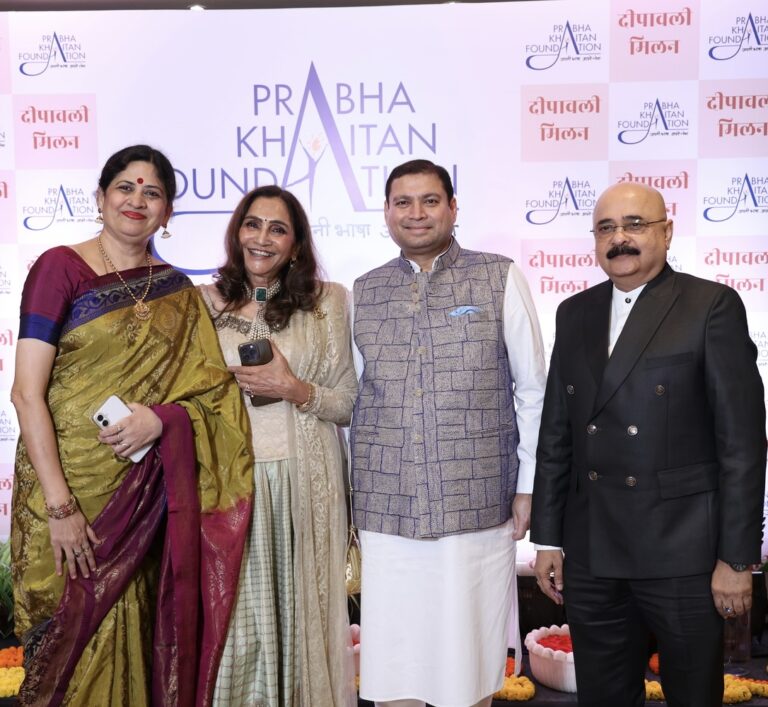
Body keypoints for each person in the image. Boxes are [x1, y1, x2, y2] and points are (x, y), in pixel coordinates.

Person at [10, 144, 254, 706]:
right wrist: (61, 507)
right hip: (68, 488)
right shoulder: (58, 268)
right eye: (125, 187)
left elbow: (214, 397)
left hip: (145, 497)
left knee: (138, 638)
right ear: (100, 198)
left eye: (153, 192)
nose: (137, 200)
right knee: (72, 642)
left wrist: (162, 421)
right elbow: (26, 393)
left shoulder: (178, 291)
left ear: (168, 213)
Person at [530, 182, 766, 707]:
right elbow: (557, 431)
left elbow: (743, 445)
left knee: (692, 696)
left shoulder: (710, 306)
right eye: (607, 228)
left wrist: (737, 558)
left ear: (666, 231)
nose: (621, 238)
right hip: (592, 550)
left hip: (683, 550)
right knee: (605, 697)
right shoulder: (574, 312)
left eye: (635, 224)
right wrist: (547, 537)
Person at [351, 159, 547, 707]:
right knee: (395, 658)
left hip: (477, 503)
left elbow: (533, 390)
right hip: (387, 508)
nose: (416, 213)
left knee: (468, 661)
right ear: (386, 212)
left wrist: (529, 485)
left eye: (430, 200)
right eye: (403, 202)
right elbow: (355, 403)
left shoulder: (498, 275)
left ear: (454, 208)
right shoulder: (363, 293)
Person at [199, 185, 357, 707]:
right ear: (237, 231)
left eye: (278, 229)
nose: (262, 238)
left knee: (303, 619)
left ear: (296, 245)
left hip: (304, 483)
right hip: (231, 485)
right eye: (253, 224)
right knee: (240, 626)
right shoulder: (204, 303)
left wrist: (293, 389)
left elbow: (348, 402)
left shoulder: (328, 302)